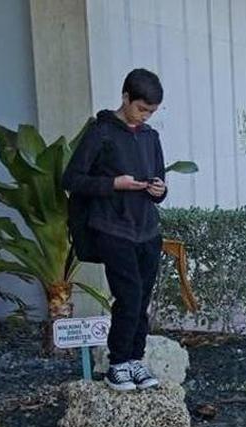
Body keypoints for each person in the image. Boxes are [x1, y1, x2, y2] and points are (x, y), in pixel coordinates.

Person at [63, 68, 168, 392]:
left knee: (143, 297)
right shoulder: (101, 132)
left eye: (151, 112)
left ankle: (135, 360)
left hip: (147, 230)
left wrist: (159, 191)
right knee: (129, 295)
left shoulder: (150, 137)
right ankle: (117, 364)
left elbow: (161, 184)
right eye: (141, 109)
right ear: (125, 98)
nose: (145, 116)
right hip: (112, 228)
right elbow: (71, 180)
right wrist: (114, 183)